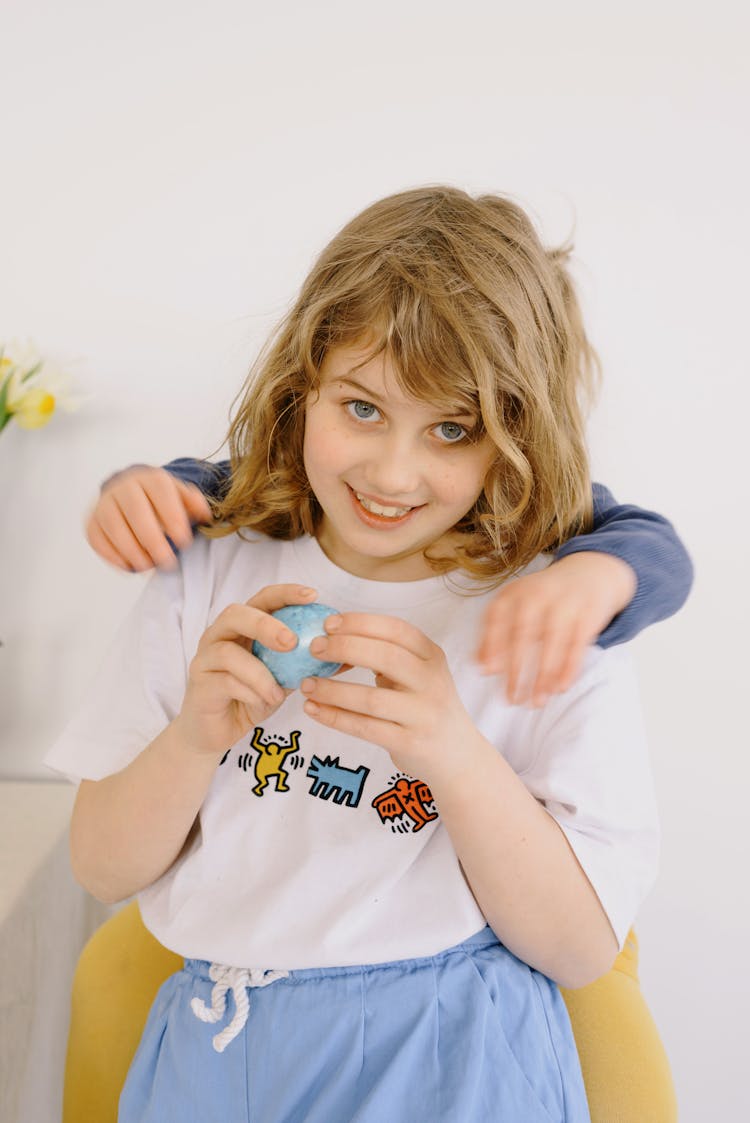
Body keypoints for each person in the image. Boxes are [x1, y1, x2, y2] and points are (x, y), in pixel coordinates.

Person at [48, 186, 669, 1122]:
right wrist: (191, 740)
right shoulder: (210, 567)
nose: (391, 473)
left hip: (452, 1060)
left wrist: (456, 755)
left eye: (451, 429)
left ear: (514, 435)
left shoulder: (548, 610)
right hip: (212, 1052)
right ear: (303, 387)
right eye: (362, 407)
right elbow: (99, 866)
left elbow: (583, 952)